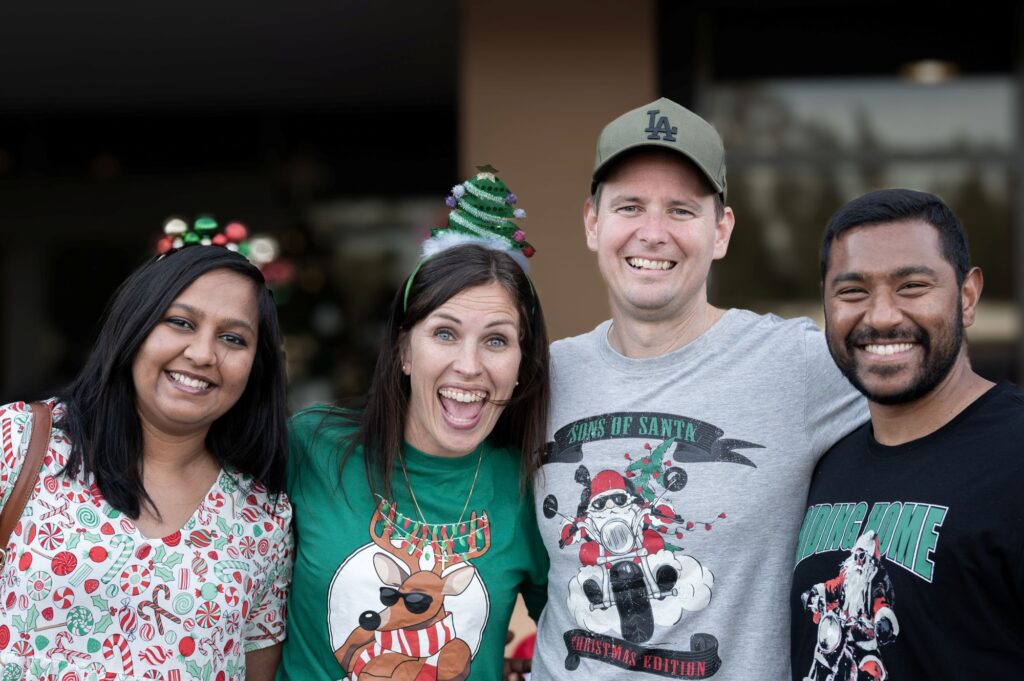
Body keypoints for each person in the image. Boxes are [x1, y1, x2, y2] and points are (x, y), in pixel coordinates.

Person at [530, 98, 866, 681]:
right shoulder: (543, 376)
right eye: (629, 206)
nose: (653, 233)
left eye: (681, 210)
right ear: (593, 223)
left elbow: (940, 407)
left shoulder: (798, 364)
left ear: (721, 231)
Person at [277, 168, 549, 681]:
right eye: (445, 333)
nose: (469, 365)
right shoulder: (311, 445)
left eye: (496, 340)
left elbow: (583, 638)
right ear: (404, 350)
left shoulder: (527, 490)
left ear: (520, 365)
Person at [0, 223, 292, 681]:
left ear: (256, 368)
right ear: (134, 326)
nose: (202, 353)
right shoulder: (19, 441)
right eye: (180, 322)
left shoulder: (263, 517)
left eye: (233, 339)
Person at [791, 188, 1024, 679]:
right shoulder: (825, 462)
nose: (881, 317)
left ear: (966, 296)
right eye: (852, 292)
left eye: (912, 286)